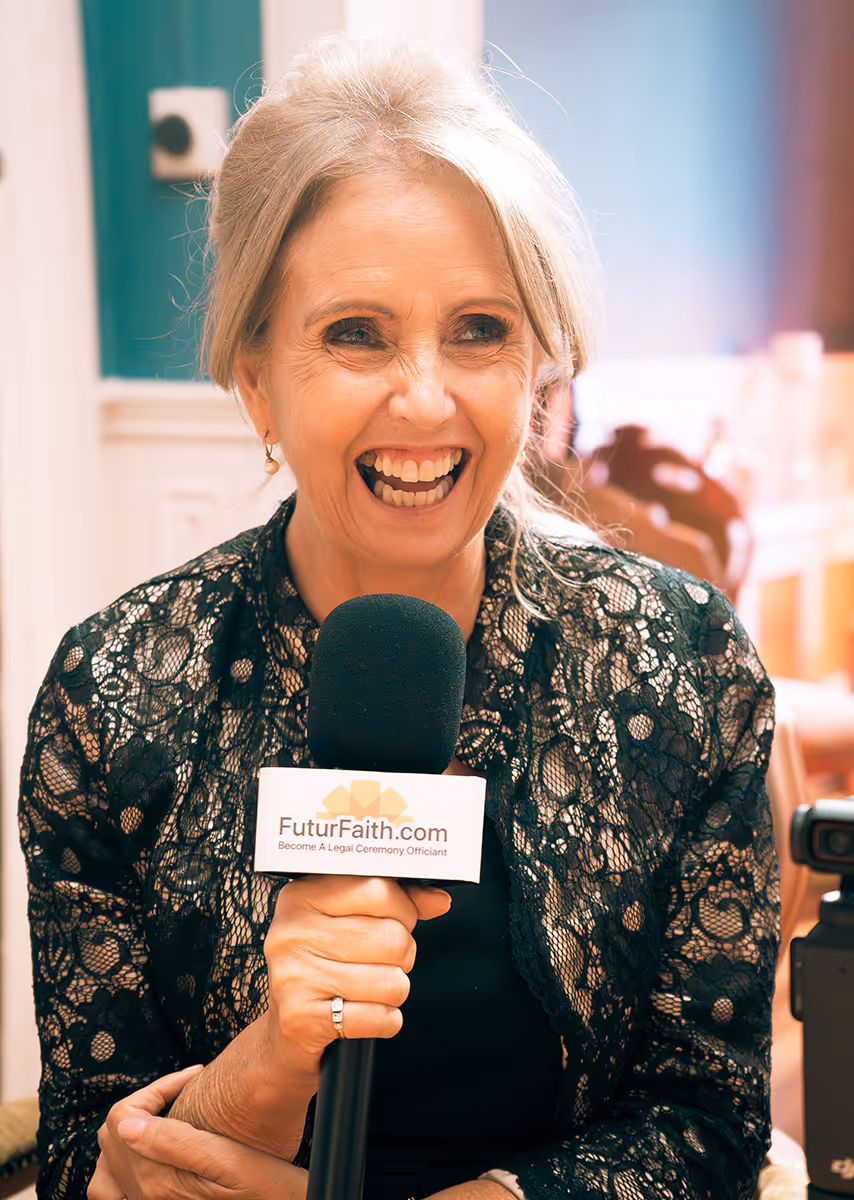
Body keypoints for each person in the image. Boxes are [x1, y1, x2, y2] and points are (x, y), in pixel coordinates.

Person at [19, 33, 779, 1200]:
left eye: (479, 330)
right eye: (354, 332)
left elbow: (708, 1120)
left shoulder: (677, 662)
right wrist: (266, 1063)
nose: (423, 398)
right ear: (255, 378)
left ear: (537, 375)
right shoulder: (113, 695)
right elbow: (86, 1148)